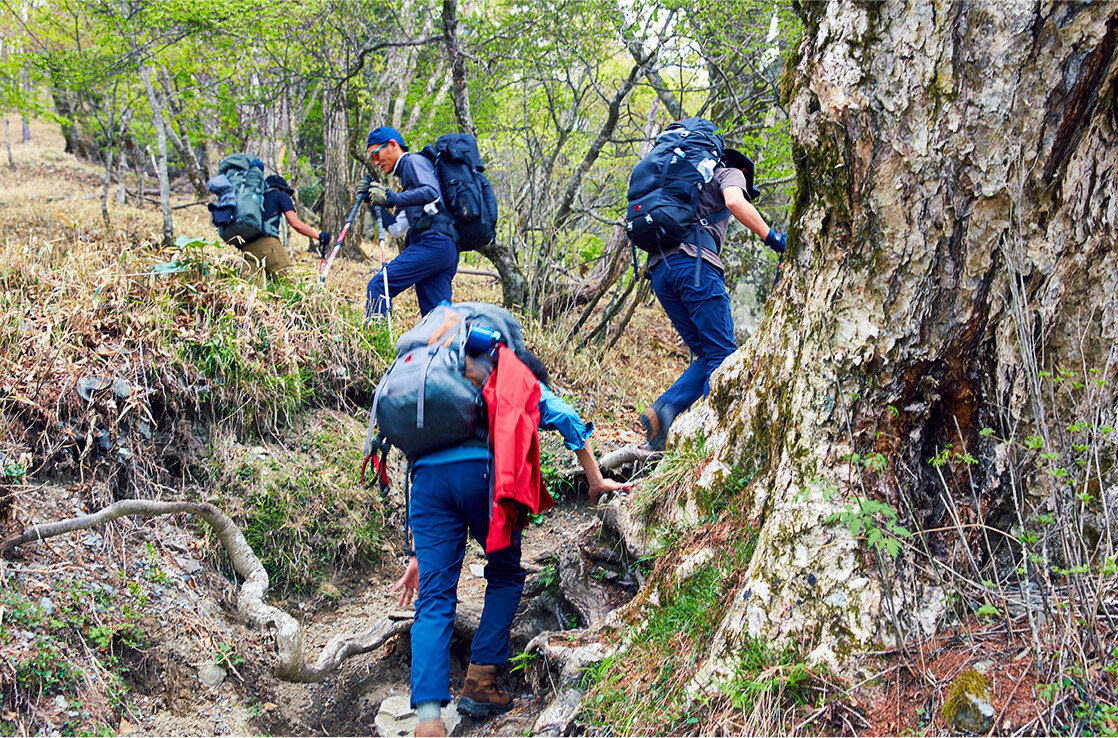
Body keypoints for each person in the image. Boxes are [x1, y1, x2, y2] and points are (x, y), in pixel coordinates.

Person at [388, 345, 631, 738]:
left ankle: (429, 721)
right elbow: (566, 416)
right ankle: (480, 683)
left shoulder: (440, 390)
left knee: (434, 597)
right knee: (503, 575)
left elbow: (422, 462)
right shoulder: (513, 373)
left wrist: (420, 554)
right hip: (483, 476)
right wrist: (596, 479)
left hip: (428, 485)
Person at [639, 148, 786, 451]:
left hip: (660, 271)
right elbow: (734, 201)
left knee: (707, 353)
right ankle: (710, 439)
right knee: (722, 355)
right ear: (744, 172)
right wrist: (772, 238)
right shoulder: (730, 173)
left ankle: (662, 410)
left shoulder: (689, 184)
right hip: (694, 266)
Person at [360, 126, 459, 317]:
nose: (375, 161)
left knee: (379, 286)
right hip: (444, 248)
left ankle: (374, 345)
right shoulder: (409, 187)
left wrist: (391, 198)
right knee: (437, 318)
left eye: (376, 154)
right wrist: (373, 202)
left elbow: (431, 192)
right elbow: (396, 229)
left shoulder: (413, 161)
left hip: (434, 243)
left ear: (392, 145)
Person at [240, 168, 330, 277]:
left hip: (247, 245)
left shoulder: (256, 198)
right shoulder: (280, 195)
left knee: (251, 288)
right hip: (268, 243)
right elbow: (295, 223)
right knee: (289, 284)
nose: (286, 194)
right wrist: (319, 236)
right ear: (279, 188)